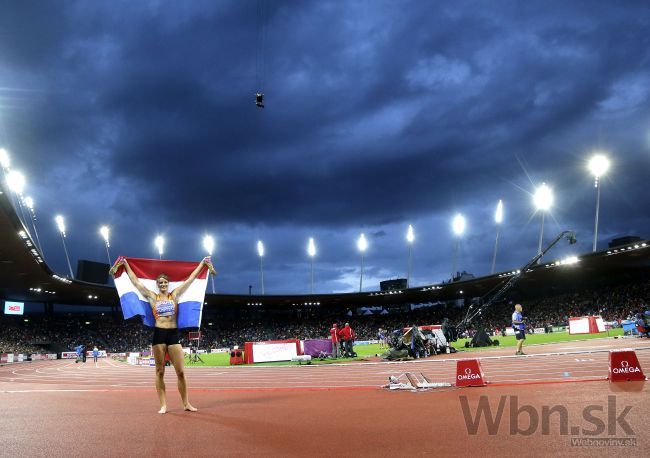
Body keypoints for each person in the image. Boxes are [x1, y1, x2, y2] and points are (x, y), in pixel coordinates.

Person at [117, 256, 213, 414]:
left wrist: (202, 264)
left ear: (168, 284)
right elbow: (135, 282)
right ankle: (163, 405)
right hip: (159, 334)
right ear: (157, 284)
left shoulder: (174, 295)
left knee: (181, 372)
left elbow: (191, 279)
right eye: (160, 283)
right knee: (160, 371)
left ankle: (186, 403)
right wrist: (126, 265)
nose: (163, 284)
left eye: (165, 282)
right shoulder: (152, 296)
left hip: (173, 334)